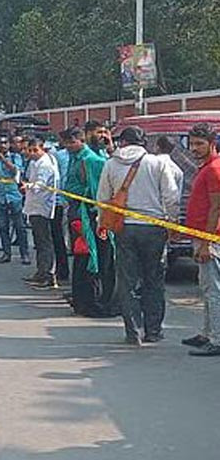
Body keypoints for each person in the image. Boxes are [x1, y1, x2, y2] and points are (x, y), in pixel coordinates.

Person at [97, 125, 180, 345]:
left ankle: (132, 331)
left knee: (127, 281)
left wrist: (101, 222)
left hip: (124, 228)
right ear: (144, 143)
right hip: (154, 228)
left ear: (122, 142)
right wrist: (172, 223)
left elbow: (103, 197)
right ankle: (153, 330)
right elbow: (171, 197)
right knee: (154, 280)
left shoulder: (111, 164)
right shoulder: (158, 163)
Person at [65, 127, 115, 317]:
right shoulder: (79, 159)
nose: (68, 146)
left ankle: (93, 301)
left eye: (71, 142)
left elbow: (96, 193)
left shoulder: (92, 160)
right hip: (81, 214)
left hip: (91, 216)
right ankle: (84, 301)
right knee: (84, 258)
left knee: (94, 260)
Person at [182, 123, 220, 356]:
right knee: (206, 288)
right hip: (201, 236)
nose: (194, 148)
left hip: (211, 239)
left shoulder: (214, 169)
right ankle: (207, 333)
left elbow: (216, 208)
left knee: (213, 290)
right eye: (192, 144)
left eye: (199, 144)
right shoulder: (205, 168)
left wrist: (207, 242)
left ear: (212, 144)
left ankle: (216, 339)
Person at [22, 136, 59, 287]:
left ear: (42, 148)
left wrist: (28, 186)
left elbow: (40, 185)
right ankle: (40, 271)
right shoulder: (33, 163)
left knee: (44, 242)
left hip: (42, 206)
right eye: (29, 150)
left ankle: (47, 274)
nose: (32, 153)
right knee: (39, 241)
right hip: (34, 205)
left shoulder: (45, 164)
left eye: (35, 150)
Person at [0, 135, 29, 264]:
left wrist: (3, 160)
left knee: (20, 226)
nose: (2, 145)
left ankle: (24, 254)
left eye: (5, 143)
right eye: (0, 143)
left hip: (13, 195)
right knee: (3, 226)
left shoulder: (15, 156)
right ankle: (6, 253)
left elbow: (16, 171)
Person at [50, 132, 72, 283]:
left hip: (74, 200)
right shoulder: (58, 156)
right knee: (59, 237)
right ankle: (62, 270)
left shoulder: (87, 157)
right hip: (61, 199)